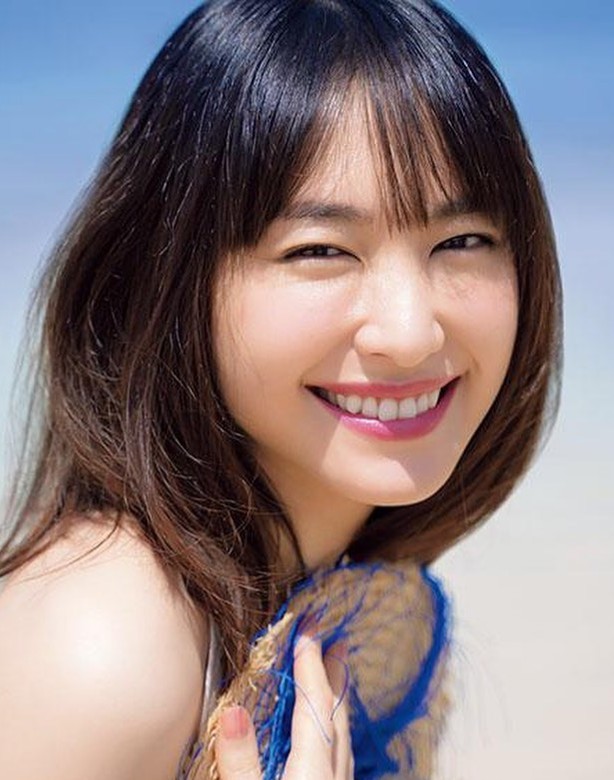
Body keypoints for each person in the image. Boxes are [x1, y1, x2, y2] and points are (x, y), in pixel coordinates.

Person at [0, 0, 562, 778]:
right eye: (320, 250)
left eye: (462, 241)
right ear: (166, 284)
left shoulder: (324, 598)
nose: (411, 333)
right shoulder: (106, 647)